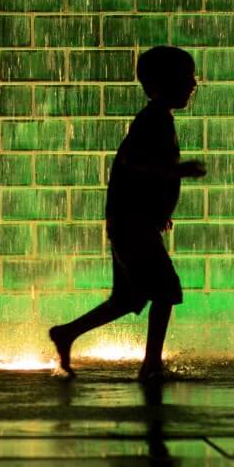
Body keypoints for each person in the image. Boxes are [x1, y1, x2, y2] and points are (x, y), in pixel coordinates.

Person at [49, 46, 207, 381]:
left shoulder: (158, 119)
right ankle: (151, 365)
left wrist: (158, 208)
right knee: (165, 291)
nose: (194, 83)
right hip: (132, 225)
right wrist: (180, 173)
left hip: (133, 222)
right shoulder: (153, 121)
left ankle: (66, 333)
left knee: (127, 298)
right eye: (186, 77)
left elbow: (136, 172)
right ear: (162, 84)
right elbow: (134, 165)